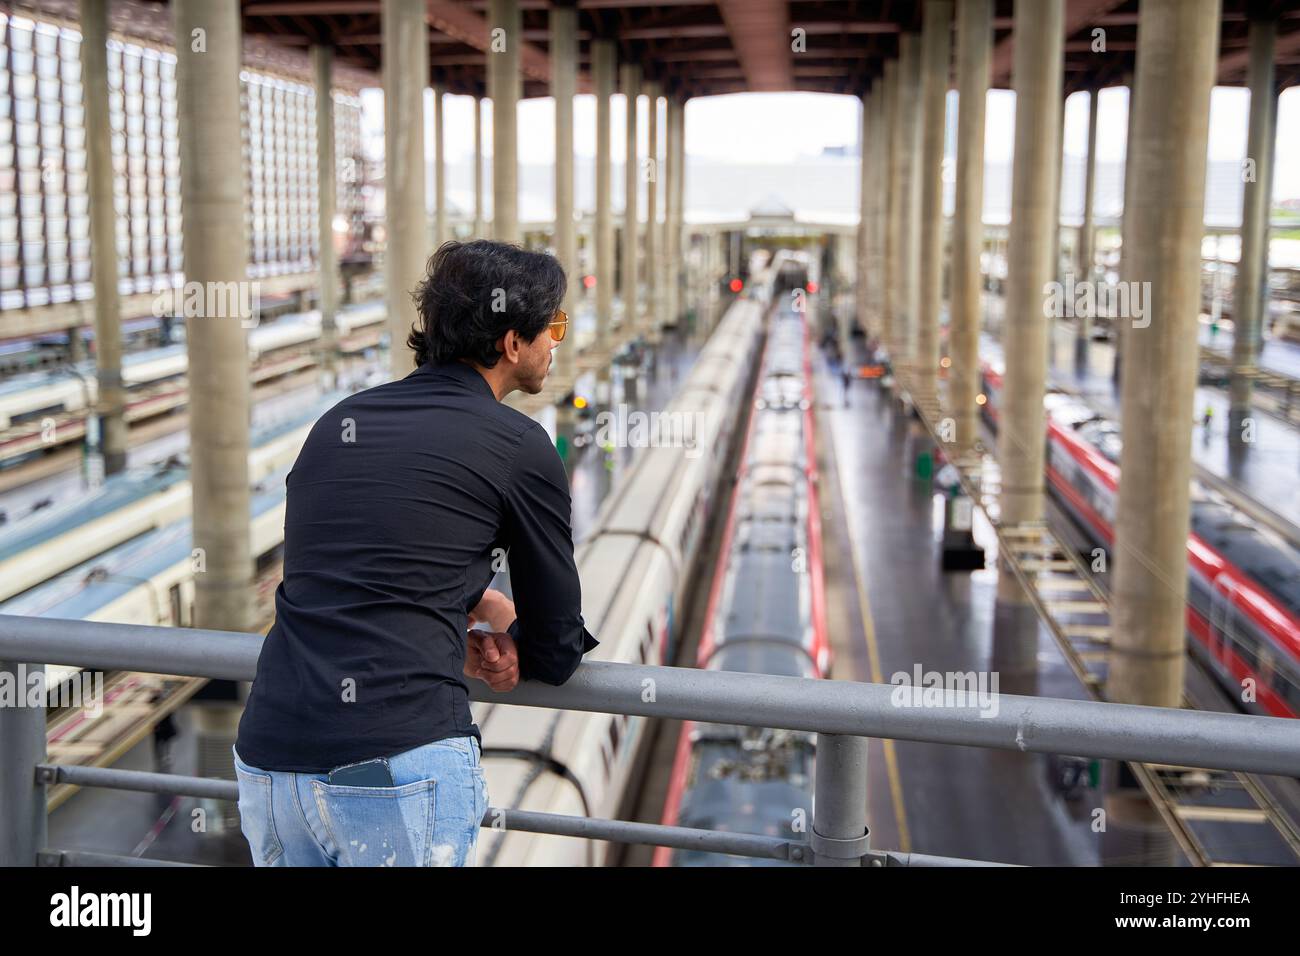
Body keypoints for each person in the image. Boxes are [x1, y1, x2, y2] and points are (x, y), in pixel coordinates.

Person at [233, 240, 598, 867]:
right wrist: (509, 642)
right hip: (393, 764)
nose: (557, 342)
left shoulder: (338, 423)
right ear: (514, 342)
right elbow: (557, 643)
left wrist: (460, 606)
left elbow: (344, 582)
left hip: (270, 763)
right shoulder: (519, 443)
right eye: (555, 325)